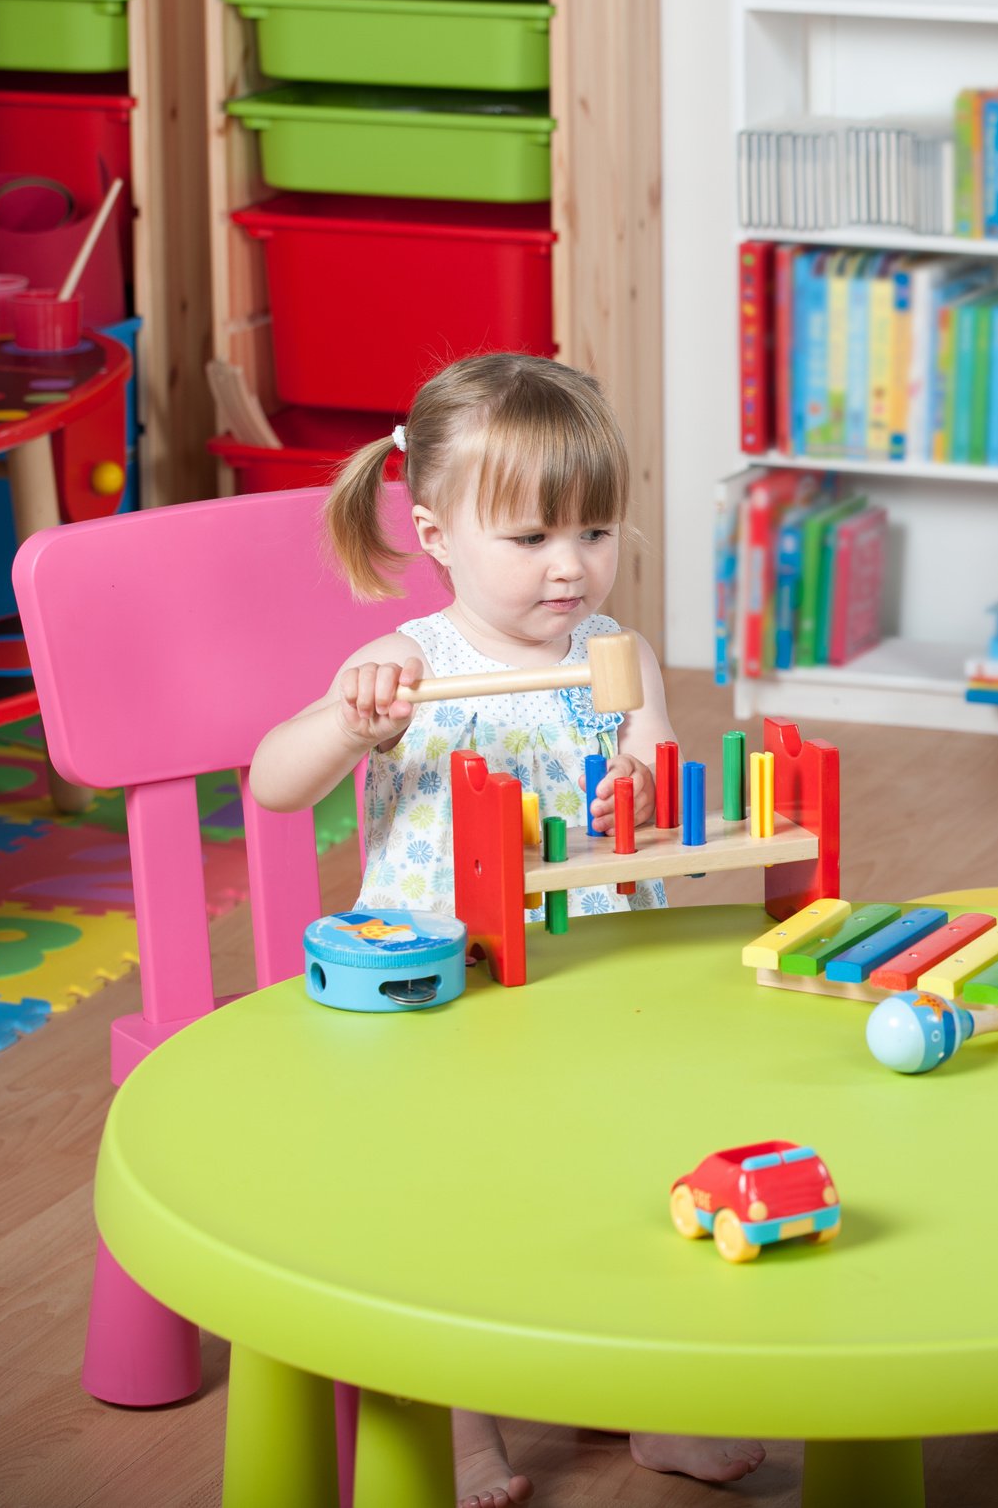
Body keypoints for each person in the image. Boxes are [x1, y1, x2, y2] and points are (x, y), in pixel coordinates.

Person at [252, 353, 764, 1507]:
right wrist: (347, 721)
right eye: (529, 538)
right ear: (433, 531)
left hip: (599, 986)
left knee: (641, 1189)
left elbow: (651, 775)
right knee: (456, 1209)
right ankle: (463, 1427)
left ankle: (655, 1403)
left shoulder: (611, 652)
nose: (569, 564)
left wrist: (636, 783)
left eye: (593, 529)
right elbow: (275, 782)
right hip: (451, 998)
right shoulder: (405, 667)